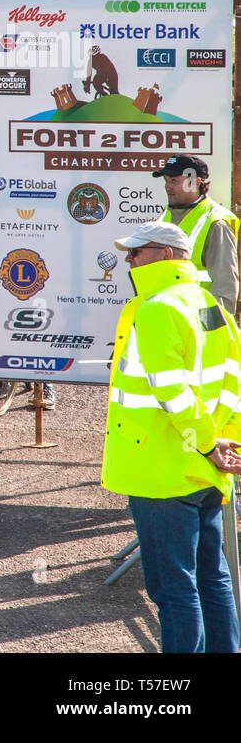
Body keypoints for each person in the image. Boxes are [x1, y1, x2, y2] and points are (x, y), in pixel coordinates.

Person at [101, 220, 241, 653]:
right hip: (203, 465)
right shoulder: (208, 303)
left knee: (173, 589)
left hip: (161, 467)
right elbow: (232, 379)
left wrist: (206, 442)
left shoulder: (158, 307)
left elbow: (171, 389)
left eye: (136, 252)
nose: (129, 260)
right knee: (211, 579)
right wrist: (225, 443)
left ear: (163, 254)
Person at [155, 155, 239, 315]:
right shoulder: (164, 216)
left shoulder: (216, 222)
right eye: (166, 181)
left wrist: (209, 332)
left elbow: (225, 289)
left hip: (195, 325)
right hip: (166, 319)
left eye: (174, 181)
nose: (167, 187)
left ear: (196, 182)